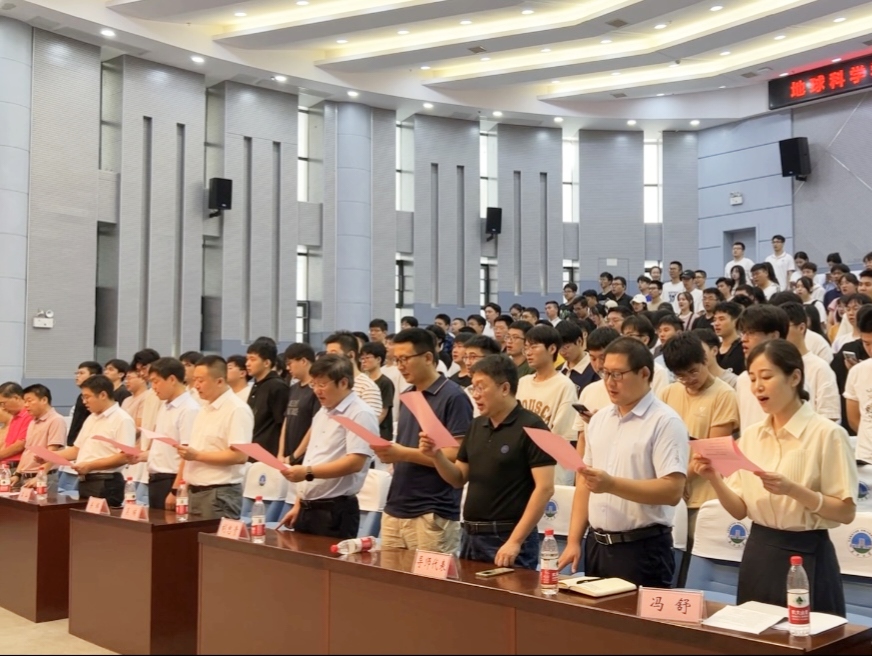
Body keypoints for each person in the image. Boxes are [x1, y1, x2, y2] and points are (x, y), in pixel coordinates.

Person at [691, 339, 856, 615]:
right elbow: (739, 510)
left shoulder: (827, 434)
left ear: (794, 377)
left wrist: (793, 490)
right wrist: (714, 479)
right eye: (753, 378)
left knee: (807, 633)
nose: (757, 386)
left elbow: (846, 512)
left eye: (766, 377)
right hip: (759, 551)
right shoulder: (752, 436)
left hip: (807, 554)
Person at [558, 337, 689, 587]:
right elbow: (585, 483)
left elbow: (672, 490)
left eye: (617, 374)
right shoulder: (599, 420)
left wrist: (611, 485)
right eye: (605, 373)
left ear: (644, 373)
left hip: (642, 549)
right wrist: (574, 540)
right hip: (597, 545)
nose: (609, 382)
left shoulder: (665, 422)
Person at [420, 355, 556, 569]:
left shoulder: (533, 426)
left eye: (481, 387)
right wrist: (436, 455)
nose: (475, 395)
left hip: (507, 536)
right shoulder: (477, 425)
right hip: (470, 535)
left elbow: (545, 488)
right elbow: (458, 478)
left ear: (504, 388)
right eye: (473, 388)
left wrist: (515, 541)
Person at [374, 329, 473, 553]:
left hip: (432, 510)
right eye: (396, 360)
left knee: (429, 576)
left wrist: (402, 453)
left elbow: (455, 455)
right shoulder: (409, 394)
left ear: (428, 357)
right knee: (388, 573)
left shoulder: (453, 396)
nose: (400, 366)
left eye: (405, 359)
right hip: (396, 505)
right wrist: (391, 453)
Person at [660, 332, 738, 586]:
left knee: (693, 570)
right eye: (681, 375)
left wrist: (680, 479)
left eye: (693, 372)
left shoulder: (723, 394)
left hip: (703, 496)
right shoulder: (668, 393)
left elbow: (713, 451)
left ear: (705, 359)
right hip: (672, 494)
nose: (689, 380)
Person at [279, 355, 376, 539]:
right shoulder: (323, 411)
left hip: (335, 511)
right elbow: (314, 456)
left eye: (322, 384)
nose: (316, 390)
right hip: (308, 507)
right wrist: (299, 503)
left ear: (343, 383)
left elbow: (355, 462)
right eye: (314, 384)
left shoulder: (360, 413)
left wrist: (307, 472)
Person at [171, 356, 253, 519]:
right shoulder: (204, 408)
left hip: (219, 494)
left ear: (220, 381)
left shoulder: (237, 409)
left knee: (213, 536)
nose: (196, 385)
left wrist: (197, 456)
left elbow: (240, 456)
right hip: (194, 490)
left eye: (201, 380)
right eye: (195, 379)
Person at [52, 375, 136, 507]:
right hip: (86, 481)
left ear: (103, 395)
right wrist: (49, 456)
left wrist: (90, 466)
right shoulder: (91, 418)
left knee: (99, 520)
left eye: (87, 397)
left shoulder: (122, 419)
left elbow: (125, 456)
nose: (84, 401)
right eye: (83, 397)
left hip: (106, 483)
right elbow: (77, 450)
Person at [135, 357, 201, 510]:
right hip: (156, 478)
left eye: (156, 382)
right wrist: (141, 456)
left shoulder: (189, 409)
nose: (153, 387)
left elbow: (187, 454)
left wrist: (176, 490)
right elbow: (164, 447)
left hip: (171, 480)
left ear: (172, 379)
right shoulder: (165, 406)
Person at [517, 324, 578, 484]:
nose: (528, 352)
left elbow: (560, 435)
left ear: (552, 349)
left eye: (533, 347)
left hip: (551, 467)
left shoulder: (564, 385)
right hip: (521, 464)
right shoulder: (523, 382)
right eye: (526, 348)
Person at [13, 384, 67, 492]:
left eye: (29, 401)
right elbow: (27, 451)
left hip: (43, 477)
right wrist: (17, 474)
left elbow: (53, 453)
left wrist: (40, 476)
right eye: (25, 401)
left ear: (44, 400)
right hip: (26, 476)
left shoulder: (56, 420)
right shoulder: (32, 422)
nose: (26, 405)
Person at [246, 338, 291, 457]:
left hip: (268, 453)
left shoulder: (277, 387)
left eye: (252, 359)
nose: (247, 364)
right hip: (252, 450)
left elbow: (283, 425)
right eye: (247, 359)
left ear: (266, 363)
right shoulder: (257, 384)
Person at [279, 343, 321, 463]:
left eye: (290, 363)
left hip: (306, 458)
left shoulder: (317, 390)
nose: (288, 368)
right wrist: (280, 453)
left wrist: (295, 456)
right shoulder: (293, 389)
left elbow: (315, 426)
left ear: (303, 361)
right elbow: (286, 421)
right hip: (287, 457)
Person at [360, 341, 395, 443]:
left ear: (379, 359)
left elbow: (383, 411)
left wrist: (369, 430)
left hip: (380, 433)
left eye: (367, 358)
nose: (363, 361)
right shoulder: (363, 381)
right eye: (362, 358)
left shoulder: (385, 382)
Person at [0, 382, 32, 470]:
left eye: (3, 403)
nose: (3, 408)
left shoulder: (29, 415)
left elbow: (20, 445)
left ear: (16, 398)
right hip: (6, 466)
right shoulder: (15, 417)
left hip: (17, 466)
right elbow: (8, 443)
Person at [712, 301, 745, 375]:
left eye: (721, 319)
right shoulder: (714, 347)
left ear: (735, 322)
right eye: (714, 320)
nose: (716, 323)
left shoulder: (743, 347)